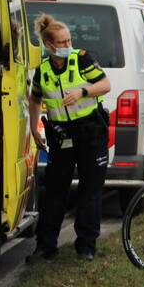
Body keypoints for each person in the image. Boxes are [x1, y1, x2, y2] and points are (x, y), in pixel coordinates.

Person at [28, 14, 112, 262]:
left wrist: (82, 91)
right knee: (54, 191)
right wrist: (34, 129)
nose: (67, 45)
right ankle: (46, 246)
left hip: (90, 132)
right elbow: (35, 99)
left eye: (69, 40)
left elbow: (105, 84)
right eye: (62, 42)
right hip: (61, 135)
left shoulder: (82, 59)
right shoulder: (43, 70)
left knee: (90, 191)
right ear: (49, 45)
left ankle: (86, 246)